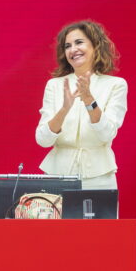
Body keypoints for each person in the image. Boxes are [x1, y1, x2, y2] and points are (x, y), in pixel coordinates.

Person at [35, 21, 128, 189]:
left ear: (95, 46)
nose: (73, 50)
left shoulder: (115, 84)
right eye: (67, 46)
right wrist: (64, 109)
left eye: (79, 42)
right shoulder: (55, 85)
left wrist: (89, 102)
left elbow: (107, 134)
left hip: (100, 177)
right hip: (57, 175)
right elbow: (43, 140)